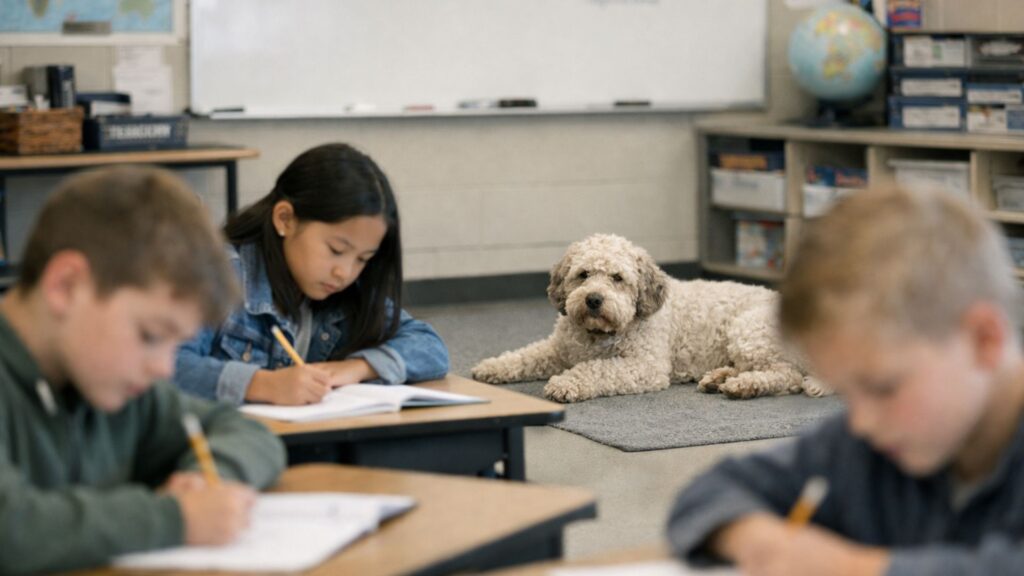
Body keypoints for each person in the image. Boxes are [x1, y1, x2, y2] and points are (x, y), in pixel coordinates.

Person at [667, 185, 1024, 576]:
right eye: (848, 393)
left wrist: (851, 567)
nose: (860, 422)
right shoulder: (875, 444)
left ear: (984, 340)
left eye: (882, 387)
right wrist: (764, 543)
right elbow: (713, 491)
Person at [0, 166, 286, 575]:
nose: (164, 367)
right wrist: (178, 519)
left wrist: (209, 480)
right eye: (151, 335)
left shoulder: (111, 381)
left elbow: (249, 434)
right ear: (65, 287)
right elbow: (11, 531)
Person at [174, 143, 448, 406]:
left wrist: (356, 367)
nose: (345, 272)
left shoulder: (347, 291)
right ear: (285, 219)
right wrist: (262, 384)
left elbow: (429, 347)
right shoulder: (218, 275)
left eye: (363, 259)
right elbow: (167, 366)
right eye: (336, 249)